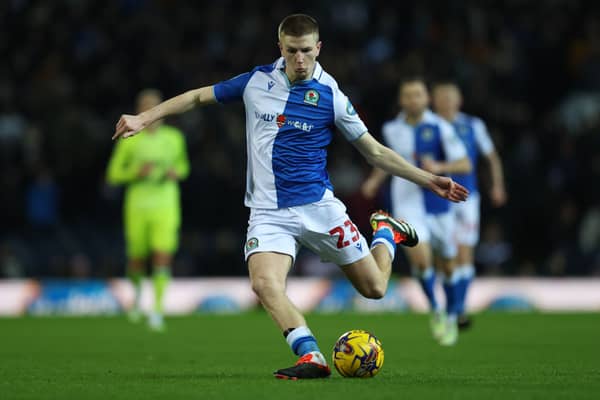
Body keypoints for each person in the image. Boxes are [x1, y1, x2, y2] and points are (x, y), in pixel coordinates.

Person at [112, 15, 468, 378]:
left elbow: (374, 152)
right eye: (292, 51)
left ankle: (386, 233)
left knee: (375, 288)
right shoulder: (256, 81)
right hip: (268, 212)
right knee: (264, 283)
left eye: (306, 52)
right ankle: (311, 356)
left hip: (319, 209)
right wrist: (144, 118)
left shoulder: (331, 95)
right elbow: (197, 96)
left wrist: (428, 179)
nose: (300, 60)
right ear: (280, 48)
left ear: (318, 48)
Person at [361, 77, 472, 346]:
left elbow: (465, 163)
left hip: (439, 207)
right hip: (407, 205)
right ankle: (436, 309)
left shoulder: (442, 127)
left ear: (427, 99)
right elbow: (388, 160)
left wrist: (439, 166)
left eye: (418, 95)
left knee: (447, 264)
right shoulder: (391, 129)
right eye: (408, 95)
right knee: (421, 262)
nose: (414, 100)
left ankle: (453, 310)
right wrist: (375, 180)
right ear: (402, 100)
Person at [107, 89, 190, 332]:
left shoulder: (174, 138)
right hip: (137, 205)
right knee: (136, 260)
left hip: (166, 204)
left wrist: (176, 172)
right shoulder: (130, 137)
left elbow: (184, 167)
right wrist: (135, 173)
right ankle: (135, 299)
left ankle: (157, 310)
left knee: (162, 256)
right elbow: (113, 174)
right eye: (145, 106)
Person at [432, 81, 507, 329]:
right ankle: (451, 306)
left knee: (465, 252)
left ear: (458, 101)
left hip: (467, 198)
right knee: (445, 255)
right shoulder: (429, 126)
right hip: (438, 198)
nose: (446, 102)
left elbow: (491, 157)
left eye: (449, 97)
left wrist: (497, 185)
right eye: (441, 98)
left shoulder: (473, 125)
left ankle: (458, 309)